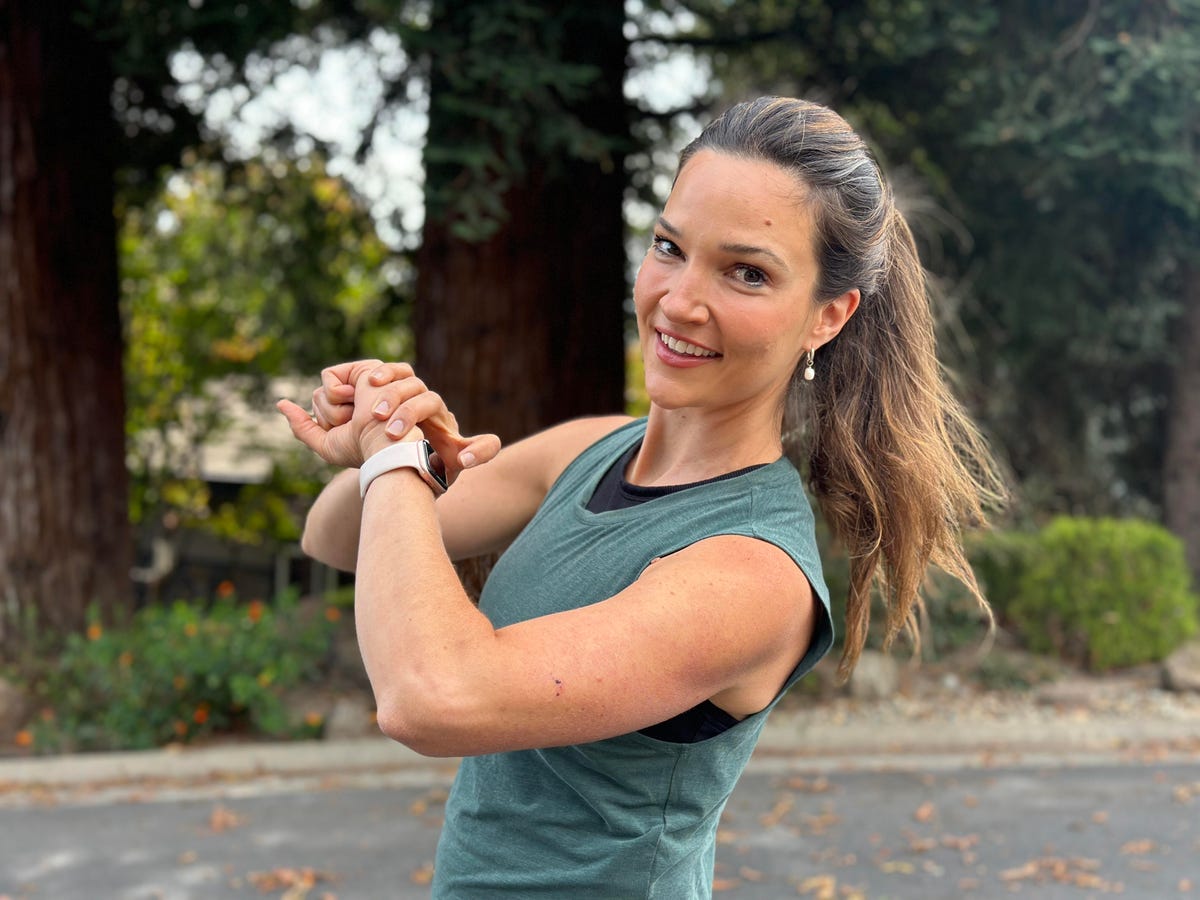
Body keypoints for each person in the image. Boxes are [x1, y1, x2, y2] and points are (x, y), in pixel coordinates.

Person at [277, 95, 1005, 898]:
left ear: (826, 318)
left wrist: (393, 461)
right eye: (670, 247)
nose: (679, 300)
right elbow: (335, 536)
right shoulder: (588, 450)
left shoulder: (752, 572)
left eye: (747, 272)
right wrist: (399, 439)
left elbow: (431, 697)